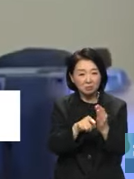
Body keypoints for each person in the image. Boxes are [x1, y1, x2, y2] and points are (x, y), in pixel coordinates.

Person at [48, 48, 128, 179]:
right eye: (81, 74)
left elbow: (122, 147)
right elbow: (54, 145)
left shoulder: (117, 106)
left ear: (101, 75)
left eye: (94, 73)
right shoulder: (62, 106)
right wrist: (75, 129)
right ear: (72, 77)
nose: (88, 80)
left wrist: (105, 130)